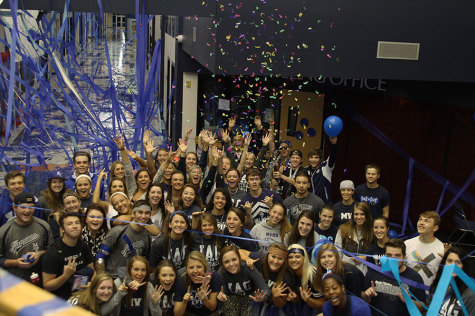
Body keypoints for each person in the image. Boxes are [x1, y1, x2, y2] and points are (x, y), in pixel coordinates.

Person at [362, 238, 426, 316]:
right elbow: (363, 299)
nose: (393, 259)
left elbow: (423, 309)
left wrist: (410, 302)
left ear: (404, 257)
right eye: (389, 255)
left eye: (397, 255)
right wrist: (367, 296)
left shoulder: (415, 278)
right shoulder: (374, 271)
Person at [0, 192, 53, 281]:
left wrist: (39, 254)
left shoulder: (44, 225)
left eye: (31, 207)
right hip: (15, 282)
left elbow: (52, 250)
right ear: (14, 208)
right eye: (23, 207)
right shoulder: (4, 231)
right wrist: (16, 263)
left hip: (40, 279)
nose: (27, 211)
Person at [42, 212, 95, 299]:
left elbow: (92, 269)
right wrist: (65, 275)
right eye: (70, 224)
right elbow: (47, 285)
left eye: (77, 223)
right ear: (63, 229)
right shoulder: (52, 253)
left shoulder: (82, 244)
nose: (75, 226)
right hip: (61, 298)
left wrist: (92, 283)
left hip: (82, 292)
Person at [96, 202, 153, 278]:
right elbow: (100, 257)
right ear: (133, 213)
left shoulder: (148, 236)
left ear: (150, 215)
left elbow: (145, 261)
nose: (143, 216)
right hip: (113, 278)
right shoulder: (117, 231)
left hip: (134, 279)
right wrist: (102, 279)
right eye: (140, 212)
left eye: (147, 213)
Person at [217, 245, 271, 316]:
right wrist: (220, 297)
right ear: (222, 264)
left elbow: (265, 288)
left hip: (249, 297)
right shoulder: (221, 272)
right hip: (232, 299)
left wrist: (262, 297)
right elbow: (221, 295)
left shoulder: (248, 267)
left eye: (234, 259)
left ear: (239, 258)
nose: (231, 264)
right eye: (226, 262)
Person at [428, 247, 475, 316]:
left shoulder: (471, 293)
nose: (453, 265)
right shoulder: (438, 285)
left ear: (463, 266)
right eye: (449, 261)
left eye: (458, 262)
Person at [404, 210, 444, 286]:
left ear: (435, 228)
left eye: (427, 221)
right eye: (420, 220)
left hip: (428, 294)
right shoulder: (407, 244)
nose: (421, 223)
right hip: (407, 292)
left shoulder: (441, 249)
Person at [174, 251, 220, 316]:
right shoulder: (181, 280)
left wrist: (204, 299)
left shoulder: (214, 277)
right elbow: (177, 314)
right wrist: (184, 302)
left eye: (199, 267)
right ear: (186, 269)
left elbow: (212, 308)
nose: (195, 271)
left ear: (204, 267)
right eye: (191, 267)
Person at [335, 202, 373, 274]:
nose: (359, 217)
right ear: (353, 215)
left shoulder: (372, 232)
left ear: (367, 215)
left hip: (363, 272)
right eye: (356, 214)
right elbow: (337, 251)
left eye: (362, 214)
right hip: (345, 270)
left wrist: (365, 258)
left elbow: (376, 253)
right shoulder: (343, 229)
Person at [286, 244, 322, 314]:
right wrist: (295, 298)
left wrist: (308, 300)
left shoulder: (314, 275)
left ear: (304, 259)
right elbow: (299, 300)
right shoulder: (289, 274)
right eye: (290, 257)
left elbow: (323, 305)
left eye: (297, 257)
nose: (293, 260)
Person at [305, 136, 337, 203]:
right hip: (310, 204)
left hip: (324, 204)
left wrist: (334, 144)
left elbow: (332, 157)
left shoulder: (325, 168)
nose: (313, 160)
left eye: (316, 158)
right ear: (308, 159)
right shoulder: (306, 170)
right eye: (311, 157)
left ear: (320, 159)